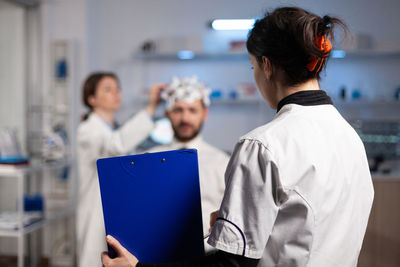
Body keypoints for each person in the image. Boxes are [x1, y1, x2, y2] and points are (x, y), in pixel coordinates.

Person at [102, 6, 374, 267]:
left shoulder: (262, 145)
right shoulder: (350, 138)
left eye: (252, 66)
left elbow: (231, 265)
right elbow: (308, 229)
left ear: (266, 66)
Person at [76, 72, 164, 267]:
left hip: (116, 206)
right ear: (92, 99)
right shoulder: (88, 130)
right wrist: (151, 108)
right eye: (108, 89)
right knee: (95, 258)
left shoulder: (113, 128)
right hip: (95, 210)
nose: (116, 93)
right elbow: (116, 145)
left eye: (117, 89)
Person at [146, 76, 230, 252]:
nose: (185, 118)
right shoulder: (148, 159)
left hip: (208, 258)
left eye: (192, 110)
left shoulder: (222, 162)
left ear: (204, 114)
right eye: (178, 110)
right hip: (157, 254)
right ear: (167, 113)